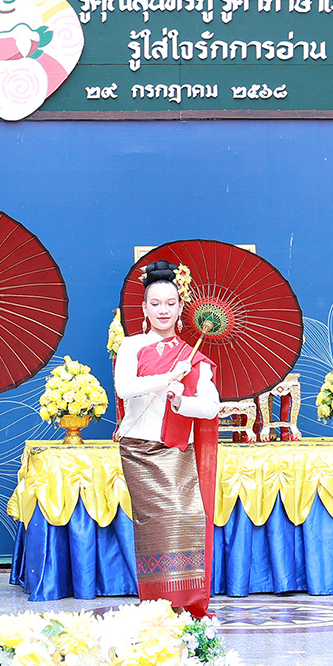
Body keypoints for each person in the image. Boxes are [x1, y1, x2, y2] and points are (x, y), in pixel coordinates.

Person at [113, 260, 222, 617]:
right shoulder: (131, 346)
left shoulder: (194, 358)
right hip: (139, 451)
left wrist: (181, 402)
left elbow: (211, 407)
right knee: (155, 527)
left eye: (170, 303)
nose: (163, 310)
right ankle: (157, 606)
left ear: (180, 307)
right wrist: (168, 376)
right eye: (155, 303)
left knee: (185, 519)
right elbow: (124, 388)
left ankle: (184, 604)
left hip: (177, 452)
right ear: (144, 308)